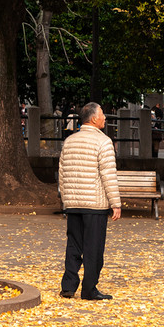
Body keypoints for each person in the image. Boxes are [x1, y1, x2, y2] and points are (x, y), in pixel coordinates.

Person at [57, 101, 121, 302]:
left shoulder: (70, 141)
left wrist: (66, 200)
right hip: (94, 204)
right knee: (93, 248)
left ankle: (68, 286)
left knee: (74, 245)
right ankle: (89, 289)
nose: (104, 117)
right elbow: (108, 175)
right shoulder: (103, 142)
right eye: (102, 114)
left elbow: (62, 174)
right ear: (94, 119)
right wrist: (115, 203)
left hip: (74, 203)